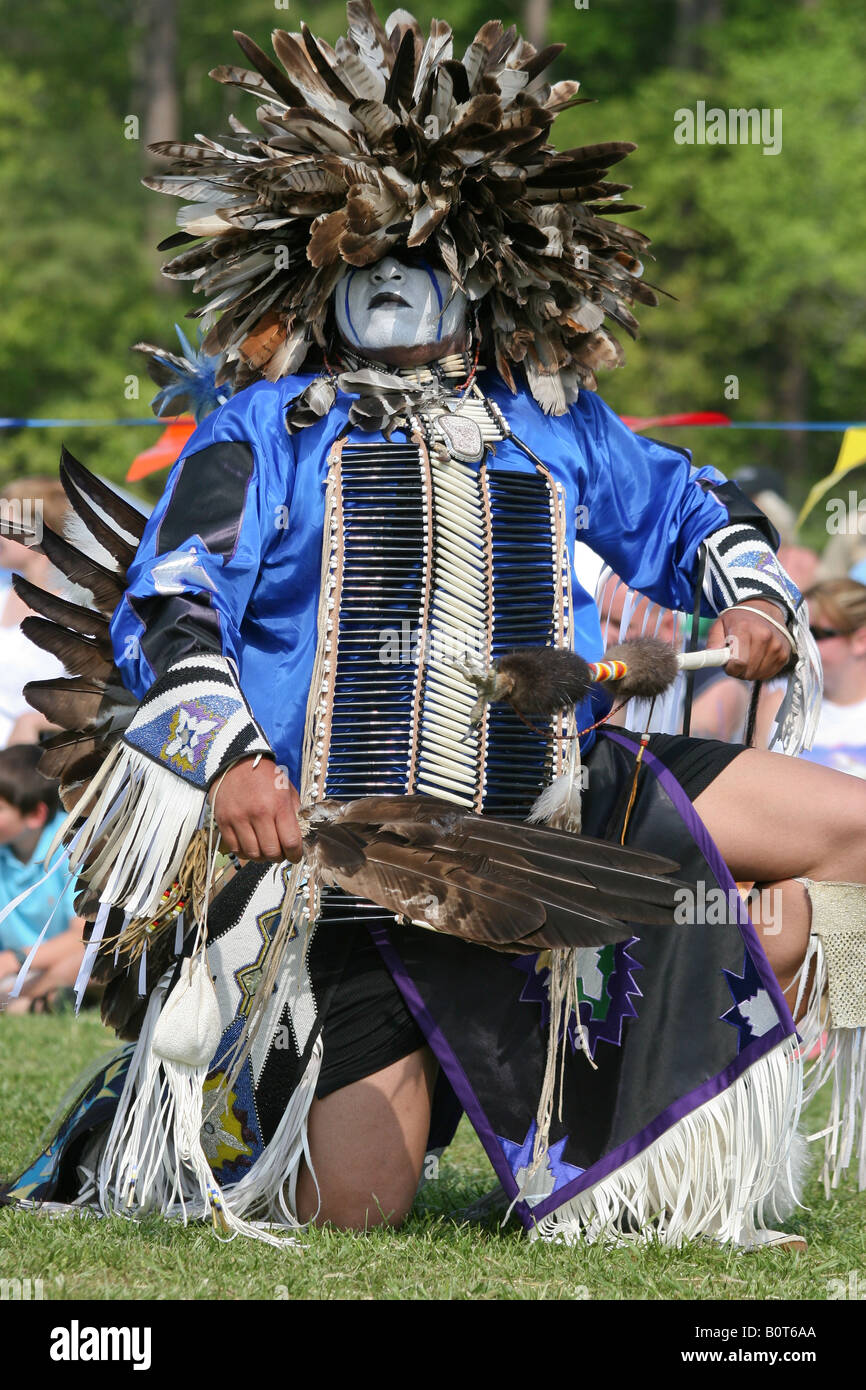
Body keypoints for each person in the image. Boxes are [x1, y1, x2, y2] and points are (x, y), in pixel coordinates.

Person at [4, 5, 865, 1249]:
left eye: (424, 243)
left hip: (565, 810)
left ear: (484, 257)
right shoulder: (265, 430)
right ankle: (200, 1105)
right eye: (370, 245)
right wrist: (238, 758)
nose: (397, 274)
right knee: (354, 1209)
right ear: (321, 259)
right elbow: (170, 598)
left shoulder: (546, 414)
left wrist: (747, 593)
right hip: (362, 860)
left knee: (840, 839)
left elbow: (683, 505)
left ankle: (650, 1130)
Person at [0, 744, 85, 1012]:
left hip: (65, 961)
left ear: (35, 815)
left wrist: (15, 960)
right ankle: (36, 1001)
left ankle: (28, 1001)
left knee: (92, 959)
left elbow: (83, 936)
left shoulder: (70, 847)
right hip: (17, 972)